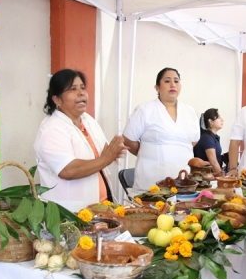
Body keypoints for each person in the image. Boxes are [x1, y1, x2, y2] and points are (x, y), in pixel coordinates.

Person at [34, 69, 128, 211]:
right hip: (69, 212)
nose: (81, 93)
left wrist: (115, 151)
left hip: (101, 206)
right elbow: (67, 170)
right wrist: (106, 158)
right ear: (56, 99)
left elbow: (103, 152)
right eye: (73, 89)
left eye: (82, 88)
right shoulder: (51, 129)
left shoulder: (88, 120)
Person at [123, 67, 199, 193]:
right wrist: (147, 153)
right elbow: (128, 140)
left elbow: (193, 141)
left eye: (176, 81)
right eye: (167, 81)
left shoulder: (190, 112)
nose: (173, 84)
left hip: (183, 182)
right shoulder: (145, 110)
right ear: (157, 87)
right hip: (150, 182)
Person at [193, 108, 225, 176]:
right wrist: (223, 178)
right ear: (211, 121)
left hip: (211, 175)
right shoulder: (207, 138)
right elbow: (213, 162)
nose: (222, 119)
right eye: (218, 117)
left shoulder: (212, 137)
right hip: (206, 177)